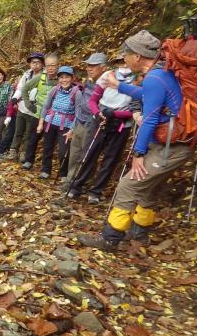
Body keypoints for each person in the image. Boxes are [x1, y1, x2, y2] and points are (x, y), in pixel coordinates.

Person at [78, 29, 190, 252]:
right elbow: (147, 95)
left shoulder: (154, 79)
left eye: (126, 54)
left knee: (129, 185)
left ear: (137, 56)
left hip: (169, 148)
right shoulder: (161, 74)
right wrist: (118, 86)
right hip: (175, 144)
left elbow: (149, 119)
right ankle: (140, 232)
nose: (125, 59)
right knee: (147, 188)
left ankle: (110, 238)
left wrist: (138, 154)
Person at [67, 55, 139, 203]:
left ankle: (96, 191)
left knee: (110, 159)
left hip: (121, 124)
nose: (123, 65)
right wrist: (98, 113)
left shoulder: (138, 80)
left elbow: (135, 110)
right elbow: (94, 100)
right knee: (89, 153)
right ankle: (76, 186)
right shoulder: (108, 75)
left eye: (125, 62)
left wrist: (115, 114)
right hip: (101, 119)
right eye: (119, 62)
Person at [64, 53, 108, 185]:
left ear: (104, 68)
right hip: (80, 122)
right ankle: (70, 180)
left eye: (93, 66)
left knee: (86, 155)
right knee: (74, 153)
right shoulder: (89, 81)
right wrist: (74, 125)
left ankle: (80, 182)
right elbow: (82, 103)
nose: (89, 68)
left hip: (93, 124)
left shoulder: (107, 84)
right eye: (88, 65)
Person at [37, 66, 77, 180]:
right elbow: (45, 107)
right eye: (61, 77)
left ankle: (63, 174)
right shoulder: (54, 90)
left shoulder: (76, 93)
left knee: (63, 151)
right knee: (47, 147)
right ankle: (45, 170)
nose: (64, 80)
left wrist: (72, 130)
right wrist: (41, 123)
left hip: (66, 125)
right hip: (50, 122)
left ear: (72, 78)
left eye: (67, 77)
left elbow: (78, 114)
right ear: (58, 78)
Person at [21, 53, 59, 169]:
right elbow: (25, 89)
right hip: (38, 113)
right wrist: (28, 104)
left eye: (53, 65)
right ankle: (28, 161)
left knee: (49, 144)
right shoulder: (41, 77)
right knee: (33, 139)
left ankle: (46, 169)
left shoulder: (62, 79)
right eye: (48, 66)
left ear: (58, 65)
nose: (50, 68)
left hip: (53, 116)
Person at [3, 53, 44, 160]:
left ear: (42, 64)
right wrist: (15, 98)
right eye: (33, 62)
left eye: (38, 62)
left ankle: (23, 153)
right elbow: (20, 88)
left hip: (34, 109)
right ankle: (13, 151)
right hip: (22, 107)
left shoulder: (45, 77)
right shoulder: (26, 75)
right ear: (30, 64)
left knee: (28, 133)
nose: (35, 65)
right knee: (18, 131)